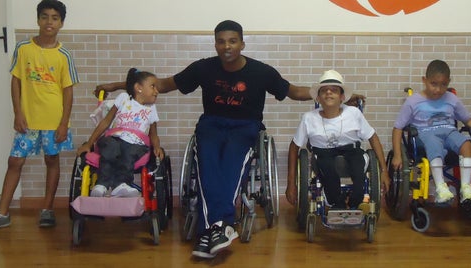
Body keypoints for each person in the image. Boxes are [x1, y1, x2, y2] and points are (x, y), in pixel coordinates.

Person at [95, 20, 363, 259]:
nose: (227, 46)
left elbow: (292, 91)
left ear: (242, 43)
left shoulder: (261, 71)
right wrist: (119, 86)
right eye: (221, 41)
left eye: (232, 41)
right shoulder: (203, 68)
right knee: (209, 168)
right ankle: (220, 228)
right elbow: (162, 84)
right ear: (215, 44)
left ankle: (211, 230)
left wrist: (333, 93)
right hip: (211, 125)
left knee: (231, 166)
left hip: (246, 127)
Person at [0, 0, 78, 231]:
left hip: (53, 121)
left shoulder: (64, 55)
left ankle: (47, 209)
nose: (49, 22)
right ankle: (2, 213)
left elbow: (68, 92)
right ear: (38, 19)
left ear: (61, 23)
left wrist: (63, 124)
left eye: (55, 18)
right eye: (45, 16)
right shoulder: (23, 48)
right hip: (28, 121)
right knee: (15, 161)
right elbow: (16, 82)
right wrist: (17, 112)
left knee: (52, 161)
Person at [285, 70, 389, 212]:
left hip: (352, 151)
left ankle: (356, 201)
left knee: (358, 168)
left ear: (342, 97)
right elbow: (294, 146)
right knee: (327, 166)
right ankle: (336, 202)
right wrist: (291, 183)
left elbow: (372, 137)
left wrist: (384, 170)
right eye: (324, 91)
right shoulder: (309, 118)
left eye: (334, 90)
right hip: (322, 154)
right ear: (318, 98)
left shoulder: (353, 113)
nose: (328, 93)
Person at [390, 59, 471, 204]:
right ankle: (441, 188)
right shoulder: (413, 102)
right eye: (433, 84)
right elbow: (398, 128)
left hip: (449, 132)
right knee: (434, 143)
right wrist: (397, 155)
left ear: (449, 82)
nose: (438, 90)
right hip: (426, 134)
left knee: (466, 144)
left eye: (443, 85)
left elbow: (469, 122)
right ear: (424, 80)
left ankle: (466, 188)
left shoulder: (452, 99)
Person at [76, 68, 163, 198]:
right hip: (115, 138)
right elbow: (106, 122)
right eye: (152, 87)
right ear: (139, 88)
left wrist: (156, 147)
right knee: (110, 146)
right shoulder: (123, 99)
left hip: (136, 143)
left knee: (128, 150)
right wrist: (89, 143)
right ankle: (101, 185)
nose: (156, 91)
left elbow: (153, 134)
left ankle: (121, 184)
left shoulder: (151, 109)